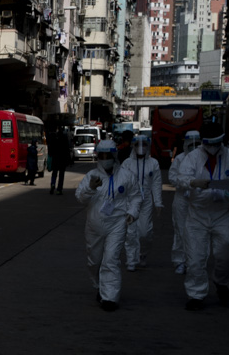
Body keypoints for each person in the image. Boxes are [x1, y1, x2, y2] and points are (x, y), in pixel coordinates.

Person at [173, 122, 229, 310]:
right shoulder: (192, 158)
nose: (213, 148)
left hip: (222, 214)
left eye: (217, 143)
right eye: (209, 144)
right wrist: (193, 182)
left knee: (227, 253)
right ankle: (196, 295)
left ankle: (221, 282)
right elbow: (179, 178)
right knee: (196, 257)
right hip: (197, 214)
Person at [75, 139, 141, 312]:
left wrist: (132, 212)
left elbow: (136, 196)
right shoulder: (91, 176)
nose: (105, 158)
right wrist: (90, 188)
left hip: (117, 224)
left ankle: (110, 297)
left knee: (111, 259)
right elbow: (80, 198)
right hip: (94, 225)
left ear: (114, 155)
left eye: (108, 155)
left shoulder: (126, 175)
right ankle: (99, 286)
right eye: (101, 155)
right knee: (94, 260)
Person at [120, 135, 164, 271]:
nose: (141, 148)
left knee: (145, 232)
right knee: (130, 232)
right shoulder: (127, 163)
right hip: (130, 200)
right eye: (138, 145)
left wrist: (158, 202)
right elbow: (121, 182)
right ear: (133, 146)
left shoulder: (153, 163)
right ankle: (131, 260)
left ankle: (143, 254)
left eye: (144, 144)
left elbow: (156, 183)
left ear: (148, 146)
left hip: (146, 201)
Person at [168, 131, 201, 274]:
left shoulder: (204, 159)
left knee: (198, 232)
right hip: (182, 199)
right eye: (191, 144)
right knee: (181, 231)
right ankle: (180, 261)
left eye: (197, 143)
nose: (194, 147)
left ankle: (194, 260)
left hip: (198, 199)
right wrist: (186, 184)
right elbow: (172, 176)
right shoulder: (180, 159)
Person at [47, 127, 71, 195]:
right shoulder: (64, 138)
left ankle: (52, 184)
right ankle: (59, 189)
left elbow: (50, 150)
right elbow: (67, 150)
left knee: (54, 173)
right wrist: (68, 160)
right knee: (61, 175)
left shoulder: (54, 138)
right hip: (62, 159)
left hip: (55, 159)